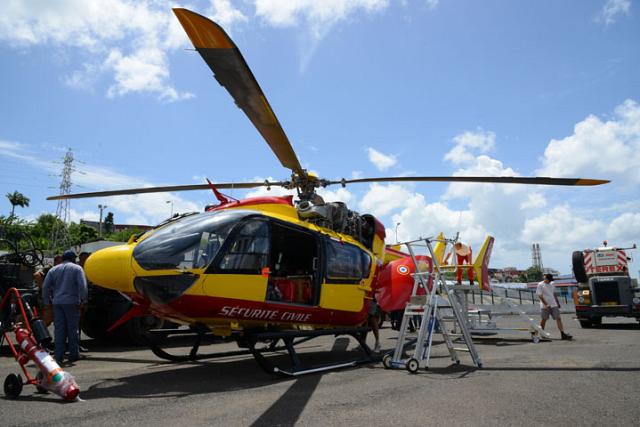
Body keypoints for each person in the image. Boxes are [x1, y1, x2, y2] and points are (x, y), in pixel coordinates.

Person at [42, 250, 88, 363]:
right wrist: (84, 300)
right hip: (72, 303)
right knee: (72, 329)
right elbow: (83, 286)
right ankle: (74, 354)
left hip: (57, 303)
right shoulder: (77, 269)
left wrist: (47, 302)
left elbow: (45, 287)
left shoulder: (53, 269)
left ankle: (58, 355)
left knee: (59, 329)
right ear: (73, 259)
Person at [536, 273, 572, 340]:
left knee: (558, 318)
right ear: (545, 279)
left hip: (553, 304)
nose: (550, 281)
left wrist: (557, 302)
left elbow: (554, 293)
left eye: (550, 280)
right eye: (549, 280)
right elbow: (540, 295)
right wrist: (546, 304)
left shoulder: (552, 284)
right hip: (544, 306)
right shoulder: (540, 285)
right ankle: (542, 333)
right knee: (544, 319)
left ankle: (562, 334)